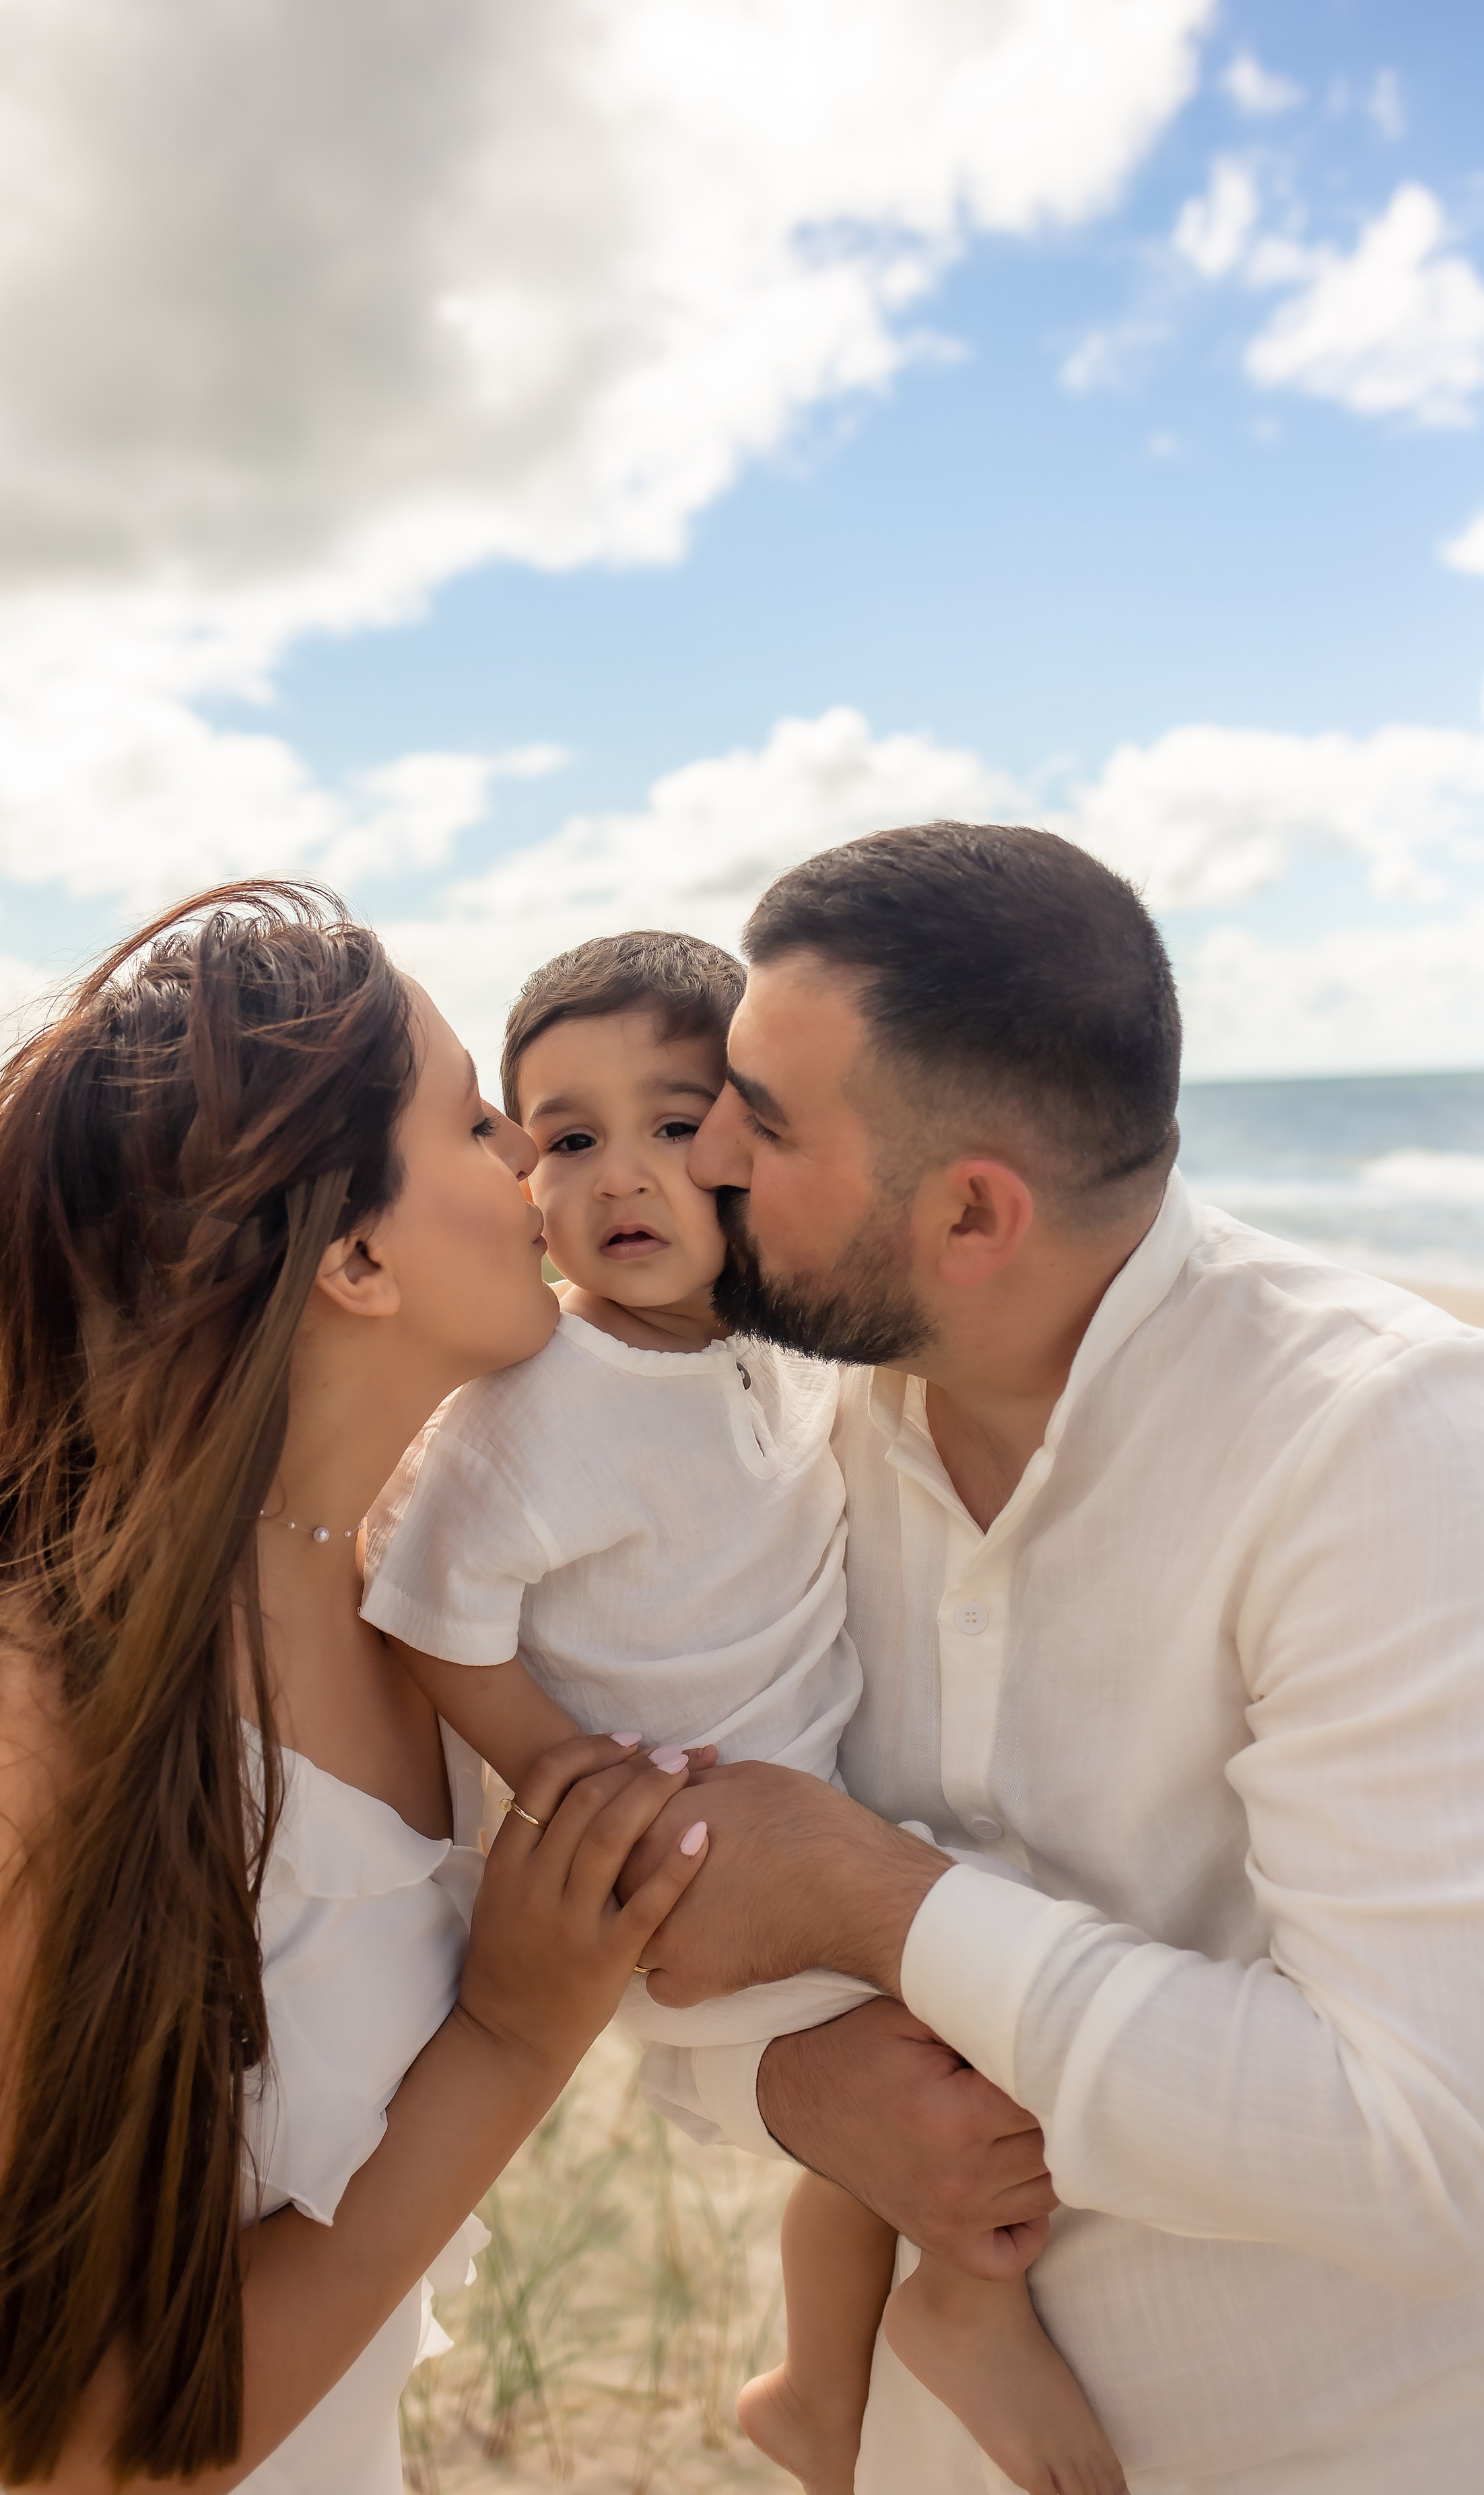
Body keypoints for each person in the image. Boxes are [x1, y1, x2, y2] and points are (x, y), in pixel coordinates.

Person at [0, 882, 708, 2494]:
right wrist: (506, 2039)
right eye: (481, 1124)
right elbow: (82, 2450)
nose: (539, 1173)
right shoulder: (15, 1715)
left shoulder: (427, 1591)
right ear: (351, 1255)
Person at [626, 822, 1484, 2494]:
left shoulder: (1382, 1448)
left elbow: (1423, 2150)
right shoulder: (767, 1421)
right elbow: (642, 1923)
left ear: (967, 1214)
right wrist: (790, 2090)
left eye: (766, 1118)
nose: (707, 1148)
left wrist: (877, 1903)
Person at [362, 929, 1122, 2495]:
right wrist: (562, 1777)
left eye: (670, 1125)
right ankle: (958, 2313)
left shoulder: (774, 1347)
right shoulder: (537, 1408)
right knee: (949, 2055)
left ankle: (811, 2386)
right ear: (523, 1178)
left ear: (743, 1149)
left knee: (944, 2030)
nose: (620, 1176)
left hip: (803, 1806)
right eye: (566, 1139)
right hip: (685, 1845)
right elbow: (430, 1612)